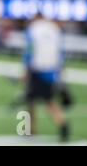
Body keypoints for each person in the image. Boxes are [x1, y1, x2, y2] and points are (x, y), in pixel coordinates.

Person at [23, 12, 70, 141]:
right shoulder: (54, 29)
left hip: (36, 69)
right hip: (51, 70)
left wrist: (25, 71)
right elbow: (60, 52)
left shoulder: (32, 29)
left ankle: (31, 129)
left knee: (33, 101)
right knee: (46, 100)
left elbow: (29, 51)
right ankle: (60, 123)